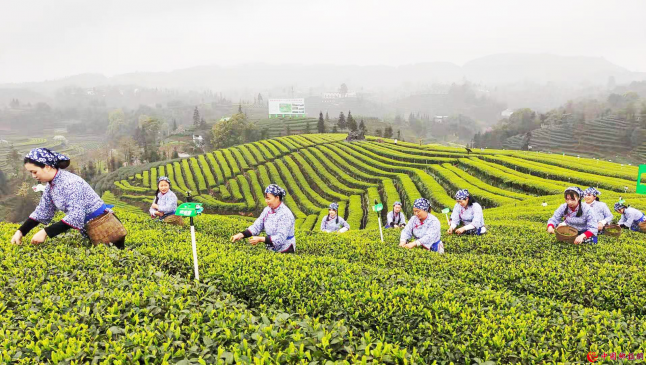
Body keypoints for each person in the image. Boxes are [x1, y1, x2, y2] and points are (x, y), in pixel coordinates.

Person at [10, 148, 126, 248]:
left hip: (105, 228)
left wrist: (46, 232)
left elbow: (76, 215)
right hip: (91, 229)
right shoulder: (51, 186)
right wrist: (21, 231)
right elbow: (43, 211)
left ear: (47, 167)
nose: (33, 176)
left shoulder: (69, 183)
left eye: (34, 171)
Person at [231, 184, 296, 253]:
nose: (266, 201)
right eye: (265, 198)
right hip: (272, 247)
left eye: (269, 198)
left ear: (277, 198)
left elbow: (280, 238)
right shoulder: (267, 210)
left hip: (285, 249)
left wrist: (260, 239)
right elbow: (257, 226)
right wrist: (241, 235)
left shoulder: (285, 214)